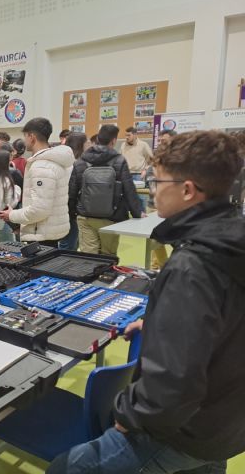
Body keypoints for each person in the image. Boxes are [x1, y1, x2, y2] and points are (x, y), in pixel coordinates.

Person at [48, 130, 245, 474]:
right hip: (225, 423)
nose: (152, 189)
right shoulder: (230, 240)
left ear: (187, 190)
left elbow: (174, 382)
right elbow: (224, 322)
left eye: (158, 180)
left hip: (175, 433)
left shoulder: (193, 266)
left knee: (67, 467)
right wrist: (158, 323)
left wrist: (128, 418)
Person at [0, 117, 74, 247]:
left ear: (31, 137)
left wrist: (12, 215)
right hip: (48, 232)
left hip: (41, 236)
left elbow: (40, 209)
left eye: (25, 136)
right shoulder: (53, 162)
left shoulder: (42, 167)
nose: (24, 140)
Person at [70, 125, 144, 256]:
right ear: (114, 141)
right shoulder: (119, 161)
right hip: (111, 217)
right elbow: (128, 189)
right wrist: (137, 212)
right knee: (108, 256)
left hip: (85, 217)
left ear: (98, 138)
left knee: (88, 256)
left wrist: (72, 214)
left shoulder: (81, 161)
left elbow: (72, 190)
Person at [144, 129, 177, 269]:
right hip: (154, 207)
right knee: (155, 240)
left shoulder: (179, 161)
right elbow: (152, 187)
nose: (162, 143)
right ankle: (158, 266)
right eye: (161, 140)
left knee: (175, 239)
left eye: (165, 140)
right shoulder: (156, 162)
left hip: (175, 208)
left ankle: (166, 267)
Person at [58, 132, 91, 250]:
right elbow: (72, 191)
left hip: (65, 209)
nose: (89, 144)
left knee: (68, 243)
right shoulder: (76, 164)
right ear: (80, 144)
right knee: (68, 245)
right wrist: (74, 212)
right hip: (70, 211)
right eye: (87, 142)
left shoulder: (66, 162)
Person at [0, 148, 23, 243]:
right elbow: (10, 203)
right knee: (9, 249)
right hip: (4, 220)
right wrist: (17, 189)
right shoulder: (5, 179)